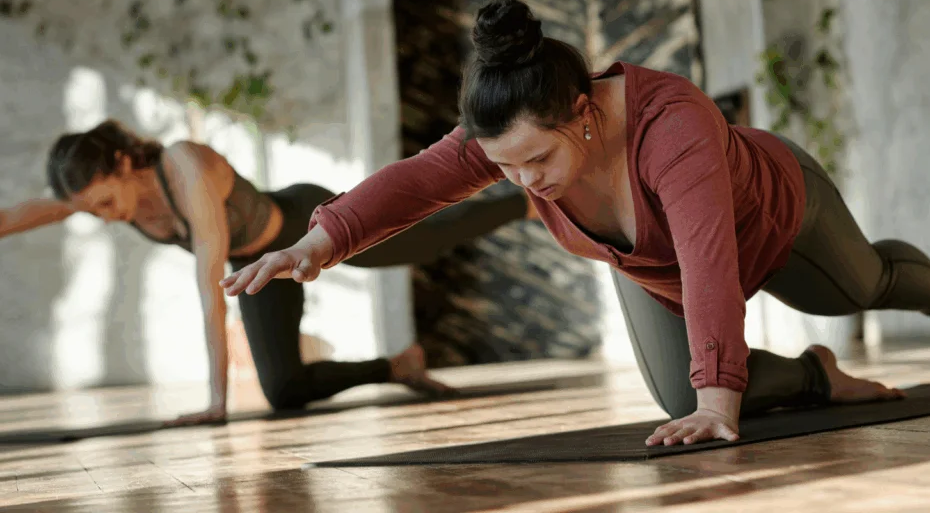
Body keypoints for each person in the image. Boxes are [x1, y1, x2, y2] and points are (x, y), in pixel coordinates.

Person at [223, 0, 930, 446]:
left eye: (535, 162)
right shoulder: (513, 132)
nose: (521, 182)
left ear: (584, 114)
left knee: (859, 286)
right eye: (505, 166)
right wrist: (319, 241)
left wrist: (722, 395)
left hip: (776, 214)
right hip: (656, 270)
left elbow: (707, 258)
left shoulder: (673, 127)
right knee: (681, 403)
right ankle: (820, 377)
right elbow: (417, 182)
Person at [0, 120, 536, 426]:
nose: (102, 215)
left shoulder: (183, 167)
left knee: (427, 238)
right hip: (259, 266)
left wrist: (217, 402)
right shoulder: (100, 194)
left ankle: (525, 204)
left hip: (300, 224)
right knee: (284, 390)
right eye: (89, 209)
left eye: (103, 202)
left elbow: (210, 287)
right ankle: (397, 367)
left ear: (121, 163)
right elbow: (26, 212)